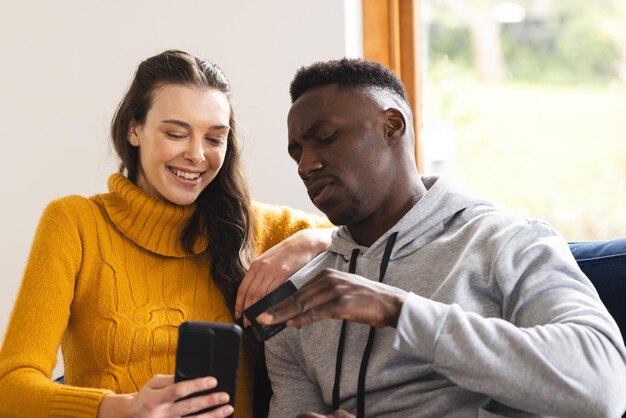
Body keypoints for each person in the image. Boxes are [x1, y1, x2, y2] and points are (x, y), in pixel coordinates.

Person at [256, 58, 626, 417]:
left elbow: (603, 388)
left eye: (326, 137)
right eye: (296, 153)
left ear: (392, 126)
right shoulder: (301, 297)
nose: (306, 166)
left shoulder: (507, 243)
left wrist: (400, 310)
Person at [0, 50, 332, 418]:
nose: (196, 155)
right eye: (176, 133)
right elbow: (11, 387)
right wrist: (122, 408)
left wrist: (311, 241)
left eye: (214, 138)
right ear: (134, 129)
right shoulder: (75, 223)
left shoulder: (245, 224)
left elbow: (368, 230)